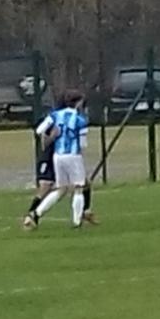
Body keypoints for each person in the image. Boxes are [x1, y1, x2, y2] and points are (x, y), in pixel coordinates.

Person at [22, 90, 93, 230]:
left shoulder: (55, 115)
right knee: (79, 188)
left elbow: (39, 130)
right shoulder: (80, 119)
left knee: (61, 189)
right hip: (73, 155)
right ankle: (77, 221)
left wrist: (55, 133)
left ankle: (36, 213)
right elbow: (83, 144)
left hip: (58, 156)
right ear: (78, 103)